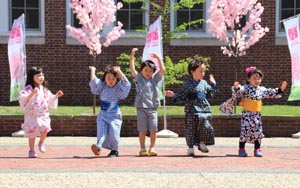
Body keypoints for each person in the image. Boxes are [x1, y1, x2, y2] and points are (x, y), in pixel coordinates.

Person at [165, 56, 216, 156]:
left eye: (204, 71)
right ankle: (191, 147)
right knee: (191, 128)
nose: (202, 73)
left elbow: (210, 93)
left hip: (203, 109)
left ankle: (202, 143)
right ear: (192, 71)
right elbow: (182, 95)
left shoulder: (204, 83)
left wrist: (213, 84)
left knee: (205, 126)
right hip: (191, 109)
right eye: (200, 71)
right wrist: (174, 95)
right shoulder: (187, 84)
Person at [232, 66, 287, 157]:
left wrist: (280, 89)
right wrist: (237, 88)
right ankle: (241, 149)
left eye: (259, 78)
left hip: (257, 114)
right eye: (254, 78)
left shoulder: (262, 89)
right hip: (247, 114)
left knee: (258, 131)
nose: (257, 80)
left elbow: (271, 92)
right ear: (248, 79)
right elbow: (238, 93)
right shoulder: (245, 88)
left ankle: (257, 149)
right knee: (245, 131)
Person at [18, 67, 64, 158]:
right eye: (39, 76)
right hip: (32, 114)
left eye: (42, 75)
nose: (41, 77)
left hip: (43, 113)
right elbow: (23, 99)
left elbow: (49, 98)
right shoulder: (29, 88)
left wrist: (56, 96)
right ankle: (31, 151)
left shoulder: (44, 89)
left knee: (45, 128)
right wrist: (32, 93)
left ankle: (41, 142)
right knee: (32, 133)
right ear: (32, 77)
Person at [89, 65, 131, 157]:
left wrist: (119, 72)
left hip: (115, 115)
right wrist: (93, 71)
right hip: (103, 115)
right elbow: (94, 83)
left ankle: (114, 150)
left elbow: (127, 84)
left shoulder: (118, 88)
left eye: (113, 78)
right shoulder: (102, 87)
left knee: (114, 132)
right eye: (108, 78)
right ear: (105, 79)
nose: (111, 80)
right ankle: (98, 146)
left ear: (116, 80)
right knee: (101, 131)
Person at [130, 48, 165, 156]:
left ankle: (152, 148)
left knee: (153, 130)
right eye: (146, 70)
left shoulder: (154, 80)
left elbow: (162, 70)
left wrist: (158, 58)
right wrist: (132, 57)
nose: (148, 73)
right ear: (142, 71)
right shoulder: (139, 79)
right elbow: (132, 70)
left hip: (153, 109)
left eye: (150, 71)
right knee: (143, 130)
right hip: (141, 108)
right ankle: (142, 148)